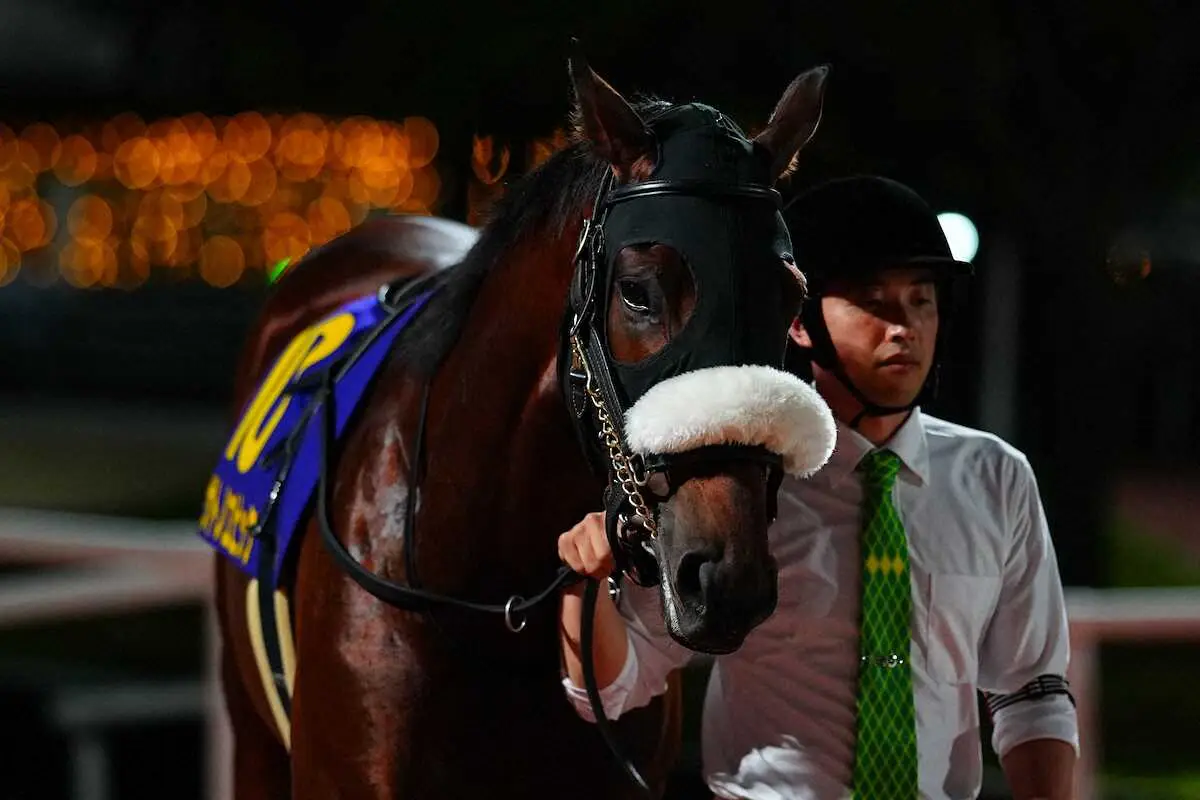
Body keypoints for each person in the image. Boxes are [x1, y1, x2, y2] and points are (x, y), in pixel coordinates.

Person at [557, 175, 1079, 800]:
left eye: (922, 300)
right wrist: (582, 582)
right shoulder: (741, 484)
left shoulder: (997, 477)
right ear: (801, 325)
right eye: (873, 301)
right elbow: (615, 687)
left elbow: (1032, 691)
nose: (904, 328)